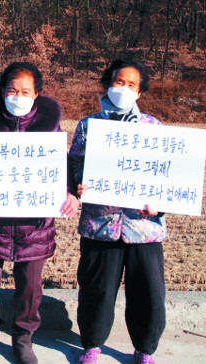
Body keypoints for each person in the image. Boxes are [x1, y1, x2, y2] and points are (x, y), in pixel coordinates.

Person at [0, 62, 79, 364]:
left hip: (34, 226)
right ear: (2, 91)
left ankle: (23, 338)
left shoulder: (50, 126)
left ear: (37, 94)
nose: (18, 95)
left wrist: (69, 193)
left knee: (30, 288)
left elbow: (62, 167)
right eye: (12, 90)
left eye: (25, 91)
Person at [69, 59, 166, 364]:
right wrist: (78, 185)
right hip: (101, 224)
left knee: (148, 294)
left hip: (143, 227)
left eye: (131, 84)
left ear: (140, 92)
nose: (123, 89)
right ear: (107, 85)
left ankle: (144, 349)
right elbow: (74, 167)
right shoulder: (88, 126)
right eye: (118, 82)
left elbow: (167, 175)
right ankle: (92, 344)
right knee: (97, 289)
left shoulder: (153, 127)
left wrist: (159, 206)